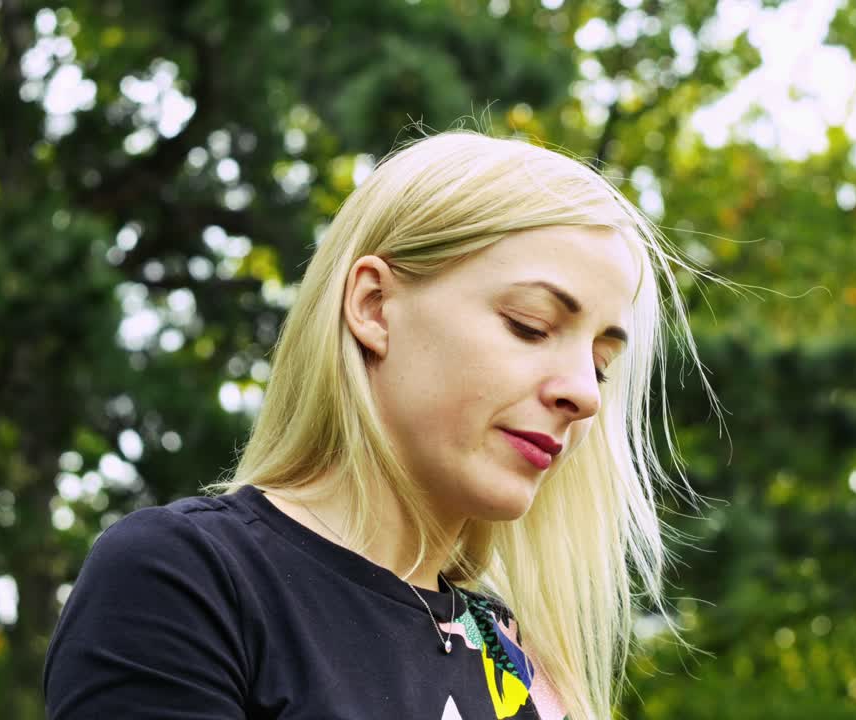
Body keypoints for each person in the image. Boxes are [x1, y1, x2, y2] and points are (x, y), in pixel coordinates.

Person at [43, 129, 719, 720]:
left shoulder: (521, 666)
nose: (583, 394)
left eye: (600, 365)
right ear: (373, 306)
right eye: (530, 325)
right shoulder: (188, 582)